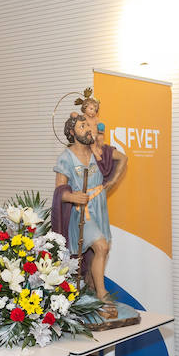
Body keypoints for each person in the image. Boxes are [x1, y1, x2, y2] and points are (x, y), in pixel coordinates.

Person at [52, 96, 127, 312]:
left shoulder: (98, 153)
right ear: (72, 133)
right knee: (100, 245)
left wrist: (110, 183)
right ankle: (103, 295)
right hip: (80, 212)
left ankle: (91, 290)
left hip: (99, 207)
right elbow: (59, 191)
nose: (88, 129)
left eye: (88, 125)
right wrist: (72, 196)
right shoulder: (66, 157)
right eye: (82, 125)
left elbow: (123, 159)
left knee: (101, 251)